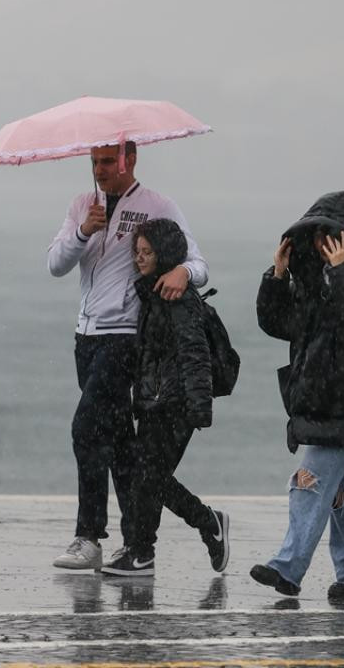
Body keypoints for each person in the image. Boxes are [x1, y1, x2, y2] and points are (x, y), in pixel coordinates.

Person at [47, 142, 209, 570]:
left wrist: (181, 271)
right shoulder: (83, 204)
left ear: (130, 160)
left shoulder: (158, 205)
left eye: (108, 162)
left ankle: (88, 536)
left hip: (124, 338)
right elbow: (55, 264)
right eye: (94, 162)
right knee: (123, 448)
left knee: (85, 429)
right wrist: (84, 232)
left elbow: (199, 262)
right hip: (86, 337)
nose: (100, 170)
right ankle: (144, 546)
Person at [249, 191, 344, 606]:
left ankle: (288, 566)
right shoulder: (308, 284)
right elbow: (277, 324)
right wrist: (276, 276)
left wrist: (343, 269)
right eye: (315, 236)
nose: (322, 244)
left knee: (307, 482)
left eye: (330, 235)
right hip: (316, 401)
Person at [99, 218, 228, 576]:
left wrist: (199, 407)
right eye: (137, 252)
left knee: (149, 477)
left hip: (176, 404)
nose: (139, 259)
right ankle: (143, 553)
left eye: (147, 252)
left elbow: (195, 353)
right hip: (155, 402)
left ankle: (206, 523)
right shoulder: (154, 292)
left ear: (164, 253)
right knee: (148, 478)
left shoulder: (176, 297)